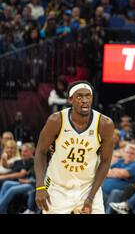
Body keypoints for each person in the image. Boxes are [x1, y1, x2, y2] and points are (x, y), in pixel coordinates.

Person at [34, 81, 115, 214]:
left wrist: (90, 197)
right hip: (57, 186)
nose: (85, 100)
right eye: (79, 96)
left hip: (88, 186)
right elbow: (40, 152)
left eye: (88, 96)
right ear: (70, 99)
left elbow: (105, 161)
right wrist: (40, 186)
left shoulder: (104, 124)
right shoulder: (56, 120)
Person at [0, 143, 35, 213]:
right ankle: (2, 208)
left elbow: (22, 174)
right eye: (22, 151)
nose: (23, 153)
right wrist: (4, 158)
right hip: (24, 181)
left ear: (32, 152)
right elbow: (6, 165)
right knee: (6, 184)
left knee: (12, 189)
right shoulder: (20, 161)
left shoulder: (32, 161)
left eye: (25, 151)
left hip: (32, 184)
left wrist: (3, 176)